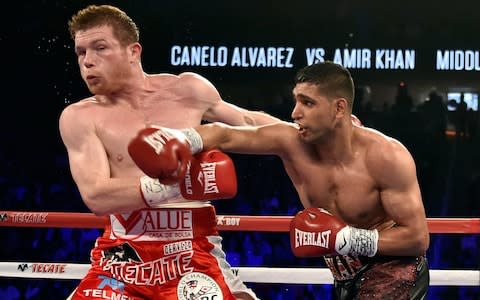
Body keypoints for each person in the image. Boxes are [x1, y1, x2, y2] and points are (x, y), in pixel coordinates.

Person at [132, 61, 431, 299]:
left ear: (339, 108)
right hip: (345, 275)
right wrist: (179, 139)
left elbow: (417, 238)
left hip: (394, 269)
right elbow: (225, 134)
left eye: (308, 103)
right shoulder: (291, 142)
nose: (294, 113)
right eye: (296, 101)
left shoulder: (386, 156)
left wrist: (347, 238)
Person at [59, 4, 280, 300]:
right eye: (81, 52)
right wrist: (178, 184)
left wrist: (317, 131)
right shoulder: (80, 117)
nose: (87, 61)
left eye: (99, 48)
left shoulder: (187, 90)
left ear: (133, 52)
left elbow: (250, 122)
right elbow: (96, 196)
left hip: (193, 251)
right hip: (123, 257)